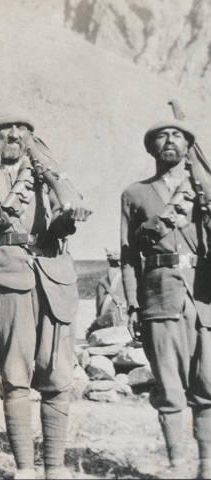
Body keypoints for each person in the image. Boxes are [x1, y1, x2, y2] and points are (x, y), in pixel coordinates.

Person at [0, 112, 89, 479]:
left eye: (21, 130)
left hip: (53, 278)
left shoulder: (48, 176)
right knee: (15, 374)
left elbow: (60, 226)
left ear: (30, 138)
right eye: (4, 131)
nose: (12, 135)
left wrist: (70, 216)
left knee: (57, 375)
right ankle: (24, 469)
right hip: (9, 280)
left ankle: (54, 469)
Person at [121, 119, 211, 478]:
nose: (170, 141)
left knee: (208, 386)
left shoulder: (205, 189)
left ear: (189, 146)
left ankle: (206, 467)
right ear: (151, 148)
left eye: (178, 135)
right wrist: (131, 304)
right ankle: (177, 467)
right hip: (159, 296)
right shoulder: (135, 193)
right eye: (161, 136)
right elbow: (129, 255)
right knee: (170, 389)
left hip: (204, 296)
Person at [88, 248, 128, 336]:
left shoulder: (102, 281)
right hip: (125, 324)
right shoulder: (128, 279)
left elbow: (99, 308)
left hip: (107, 324)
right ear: (120, 263)